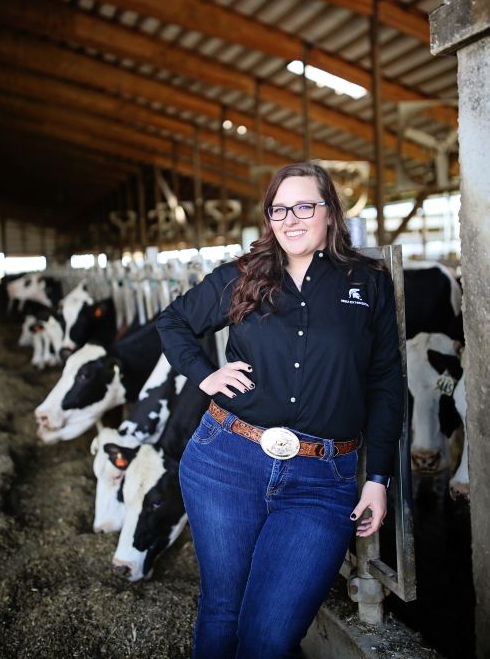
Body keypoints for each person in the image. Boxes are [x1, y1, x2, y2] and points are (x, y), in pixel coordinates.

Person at [157, 162, 403, 659]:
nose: (291, 218)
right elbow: (173, 321)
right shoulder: (242, 277)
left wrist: (377, 476)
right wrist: (205, 374)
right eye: (279, 208)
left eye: (305, 205)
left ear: (330, 213)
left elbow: (385, 382)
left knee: (269, 636)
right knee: (222, 611)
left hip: (320, 479)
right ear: (268, 217)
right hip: (226, 460)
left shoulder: (368, 283)